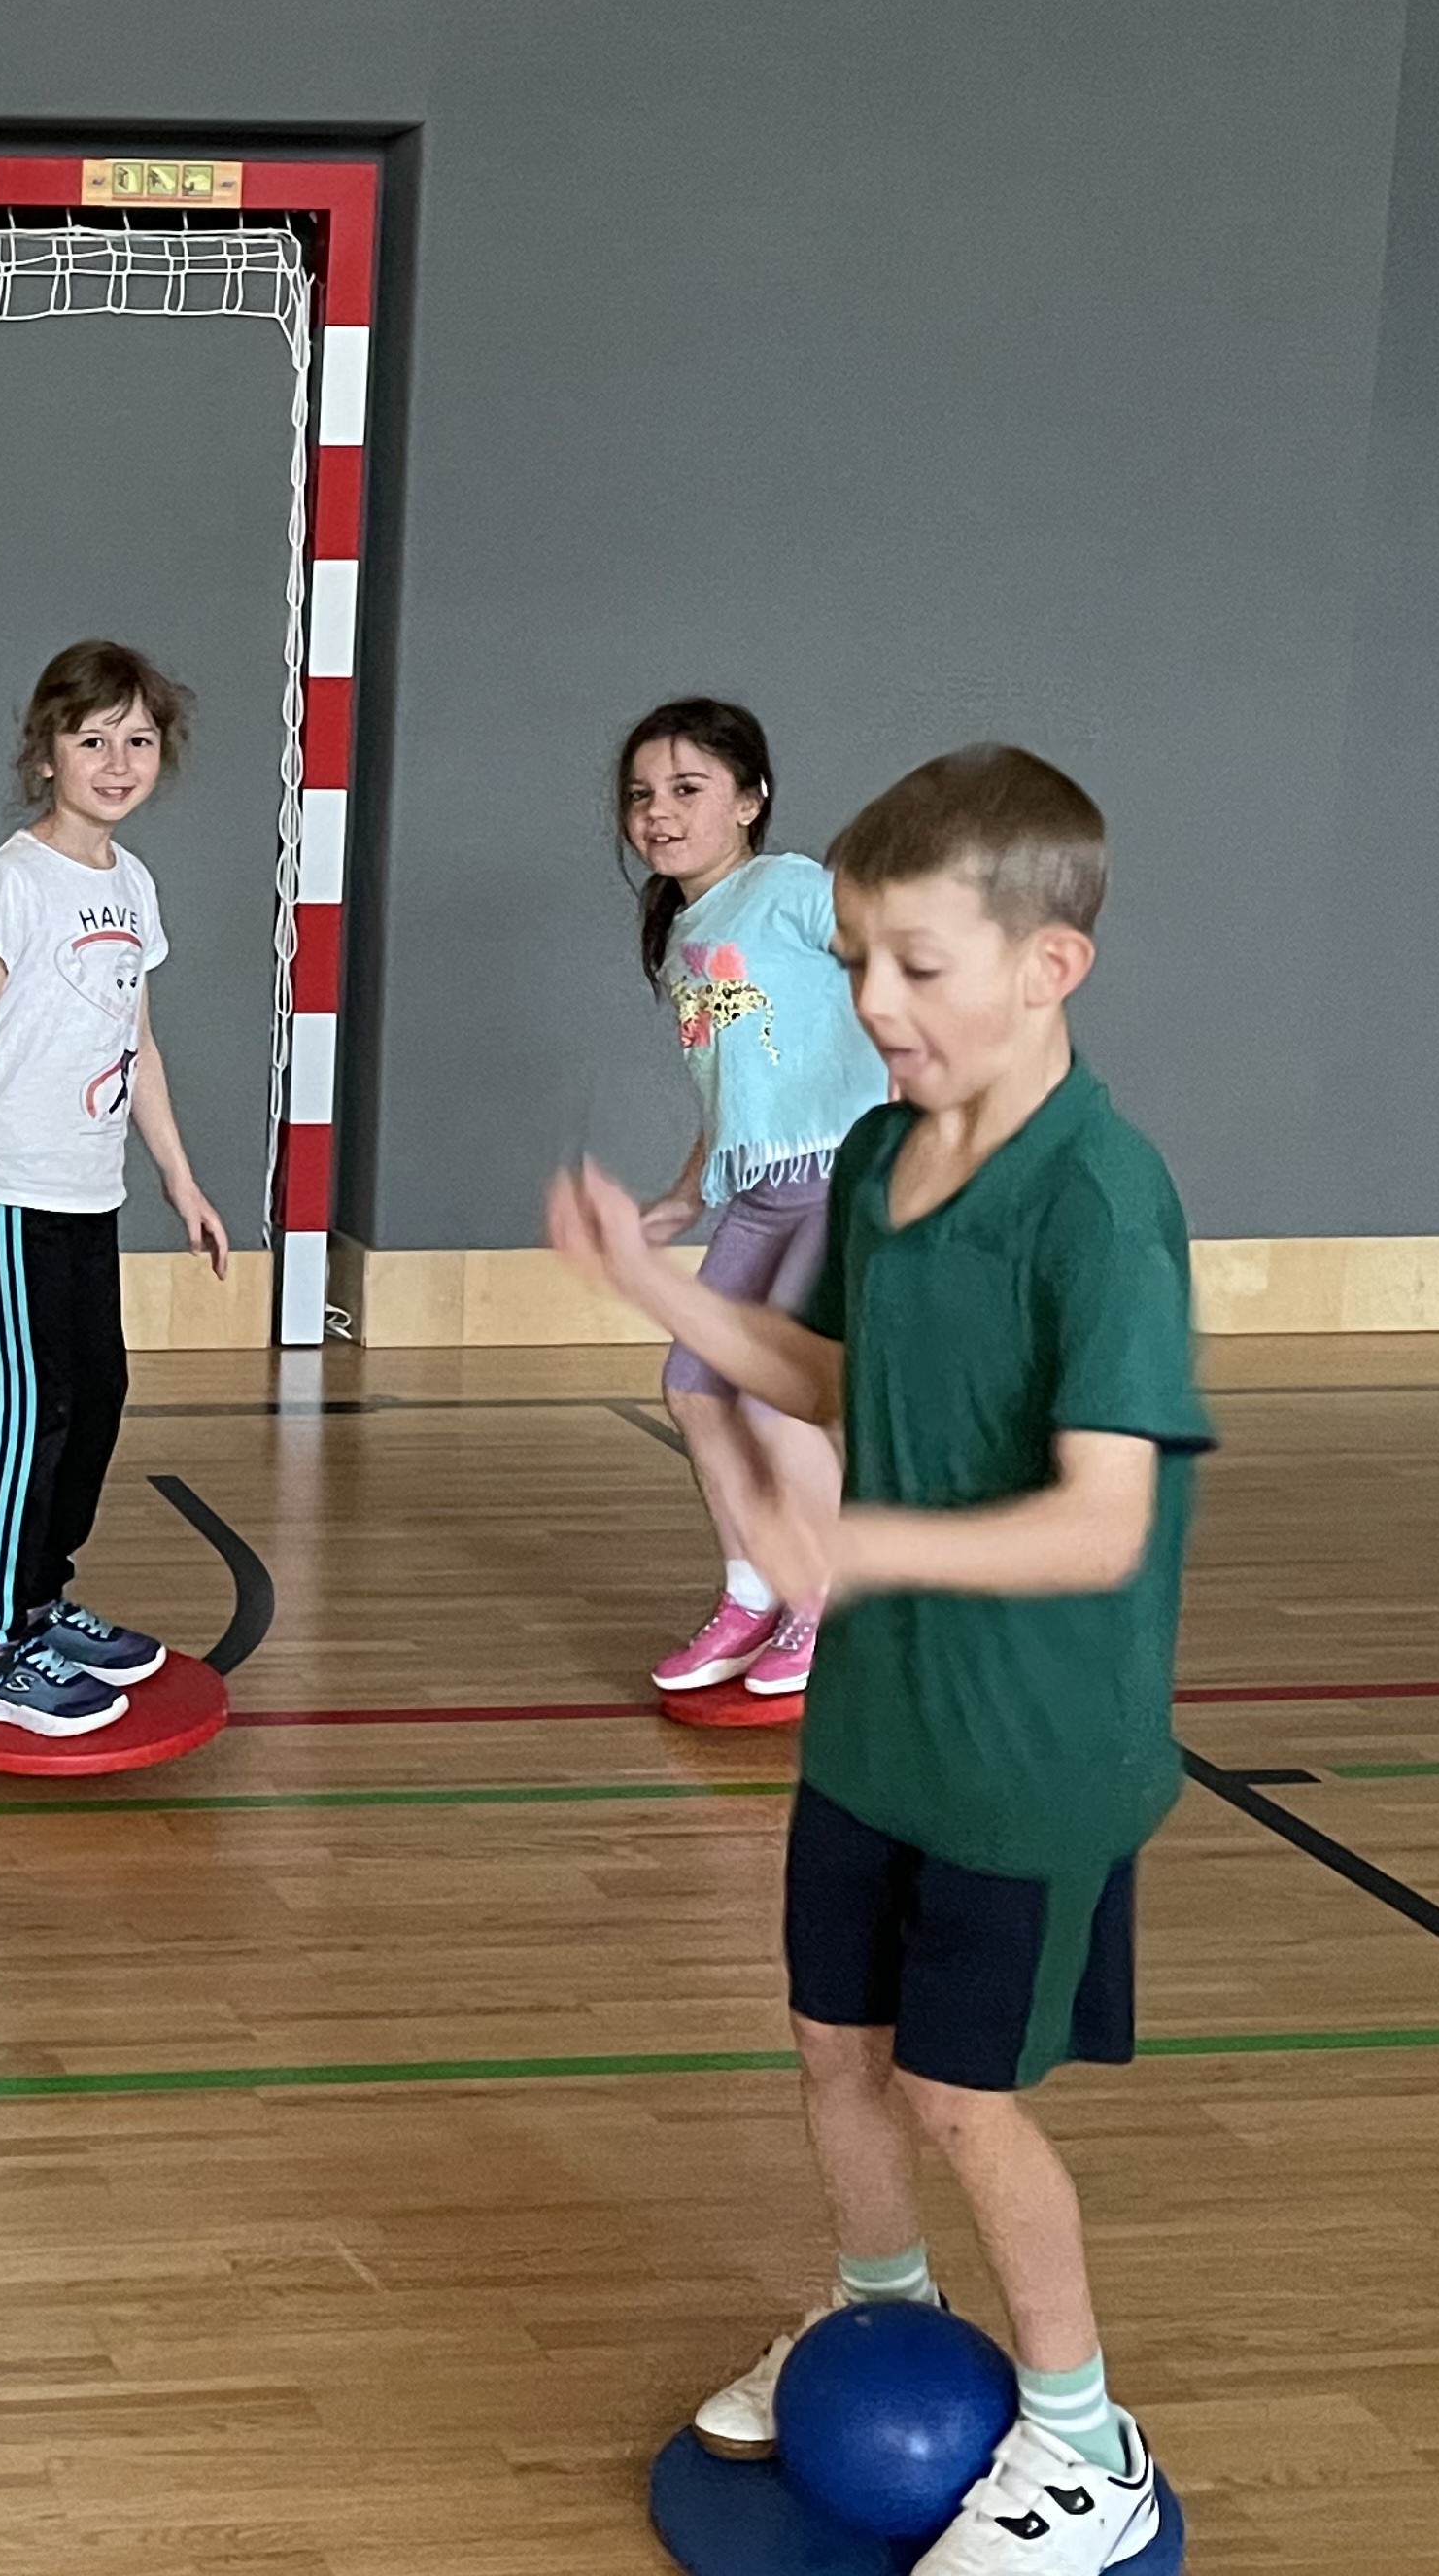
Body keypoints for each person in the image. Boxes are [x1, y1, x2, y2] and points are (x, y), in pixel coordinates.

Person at [547, 744, 1200, 2576]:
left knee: (959, 2094)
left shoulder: (1100, 1202)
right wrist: (655, 1286)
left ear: (1048, 964)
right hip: (875, 1722)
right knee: (834, 2045)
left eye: (916, 964)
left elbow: (1103, 1519)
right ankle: (873, 2310)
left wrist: (873, 1546)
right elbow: (837, 1375)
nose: (872, 1004)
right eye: (853, 963)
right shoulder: (881, 1151)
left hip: (1028, 1749)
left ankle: (1082, 2439)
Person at [0, 640, 230, 1739]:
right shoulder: (12, 880)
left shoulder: (134, 885)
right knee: (31, 1410)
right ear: (46, 753)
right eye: (92, 739)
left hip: (88, 1188)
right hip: (10, 1189)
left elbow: (137, 1043)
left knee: (98, 1395)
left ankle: (37, 1600)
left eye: (138, 741)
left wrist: (180, 1178)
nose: (117, 762)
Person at [611, 699, 881, 1704]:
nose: (659, 813)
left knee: (776, 1396)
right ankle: (751, 1590)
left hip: (844, 1182)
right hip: (761, 1197)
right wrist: (685, 1196)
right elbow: (737, 1093)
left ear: (750, 800)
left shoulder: (793, 888)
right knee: (694, 1384)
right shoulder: (685, 930)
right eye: (642, 795)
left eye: (688, 789)